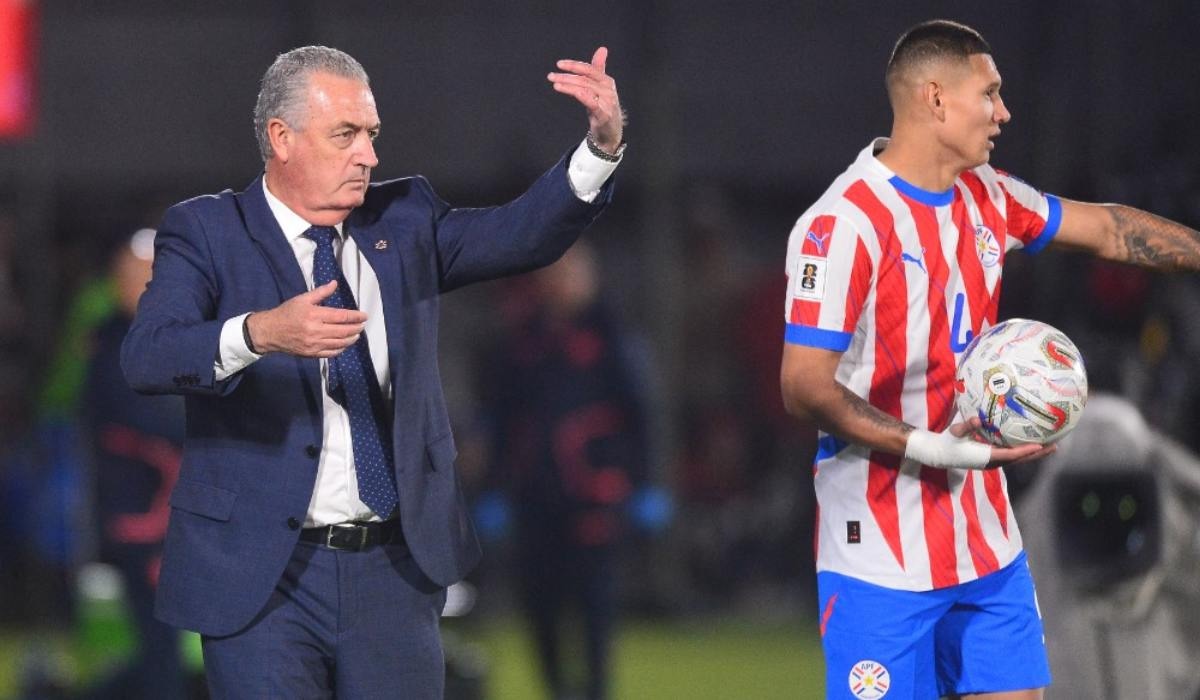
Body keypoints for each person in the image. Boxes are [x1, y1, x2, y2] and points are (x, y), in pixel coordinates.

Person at [121, 44, 623, 698]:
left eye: (372, 134)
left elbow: (520, 233)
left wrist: (602, 147)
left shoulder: (403, 221)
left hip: (392, 569)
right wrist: (260, 332)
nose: (369, 154)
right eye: (346, 135)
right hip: (263, 575)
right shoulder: (208, 230)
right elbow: (150, 354)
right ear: (282, 138)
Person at [779, 19, 1200, 700]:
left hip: (984, 538)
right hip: (879, 554)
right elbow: (803, 388)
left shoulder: (990, 196)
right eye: (991, 93)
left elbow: (1107, 229)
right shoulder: (843, 225)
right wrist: (932, 448)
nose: (1004, 112)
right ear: (935, 98)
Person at [482, 241, 651, 700]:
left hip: (595, 493)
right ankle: (557, 690)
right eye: (553, 274)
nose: (561, 283)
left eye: (571, 273)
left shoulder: (611, 339)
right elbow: (502, 419)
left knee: (596, 606)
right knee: (540, 605)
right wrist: (494, 488)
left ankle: (595, 691)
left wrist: (645, 484)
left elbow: (639, 416)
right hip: (535, 496)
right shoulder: (521, 344)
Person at [82, 228, 186, 700]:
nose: (146, 287)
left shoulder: (170, 336)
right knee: (159, 647)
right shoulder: (111, 346)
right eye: (135, 276)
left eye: (153, 277)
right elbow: (149, 421)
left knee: (164, 648)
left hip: (173, 517)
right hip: (143, 517)